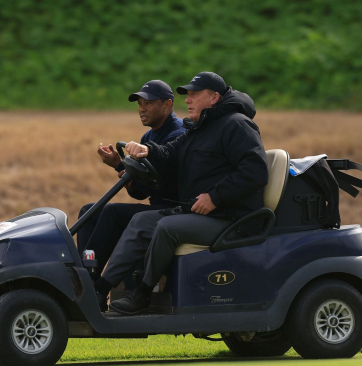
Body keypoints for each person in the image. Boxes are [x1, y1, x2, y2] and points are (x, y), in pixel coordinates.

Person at [96, 72, 268, 315]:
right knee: (142, 220)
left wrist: (215, 197)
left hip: (232, 218)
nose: (187, 101)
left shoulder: (236, 125)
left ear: (214, 98)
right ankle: (99, 290)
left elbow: (256, 171)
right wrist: (147, 149)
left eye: (194, 95)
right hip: (204, 214)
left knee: (167, 226)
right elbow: (169, 153)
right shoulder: (198, 128)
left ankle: (143, 294)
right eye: (187, 95)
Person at [77, 80, 185, 308]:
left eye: (148, 103)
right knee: (89, 211)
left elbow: (170, 183)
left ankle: (93, 290)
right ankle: (85, 277)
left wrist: (128, 171)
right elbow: (142, 193)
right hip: (156, 207)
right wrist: (119, 165)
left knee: (113, 213)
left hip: (175, 210)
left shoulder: (179, 134)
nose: (142, 109)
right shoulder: (148, 137)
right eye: (139, 104)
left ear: (167, 105)